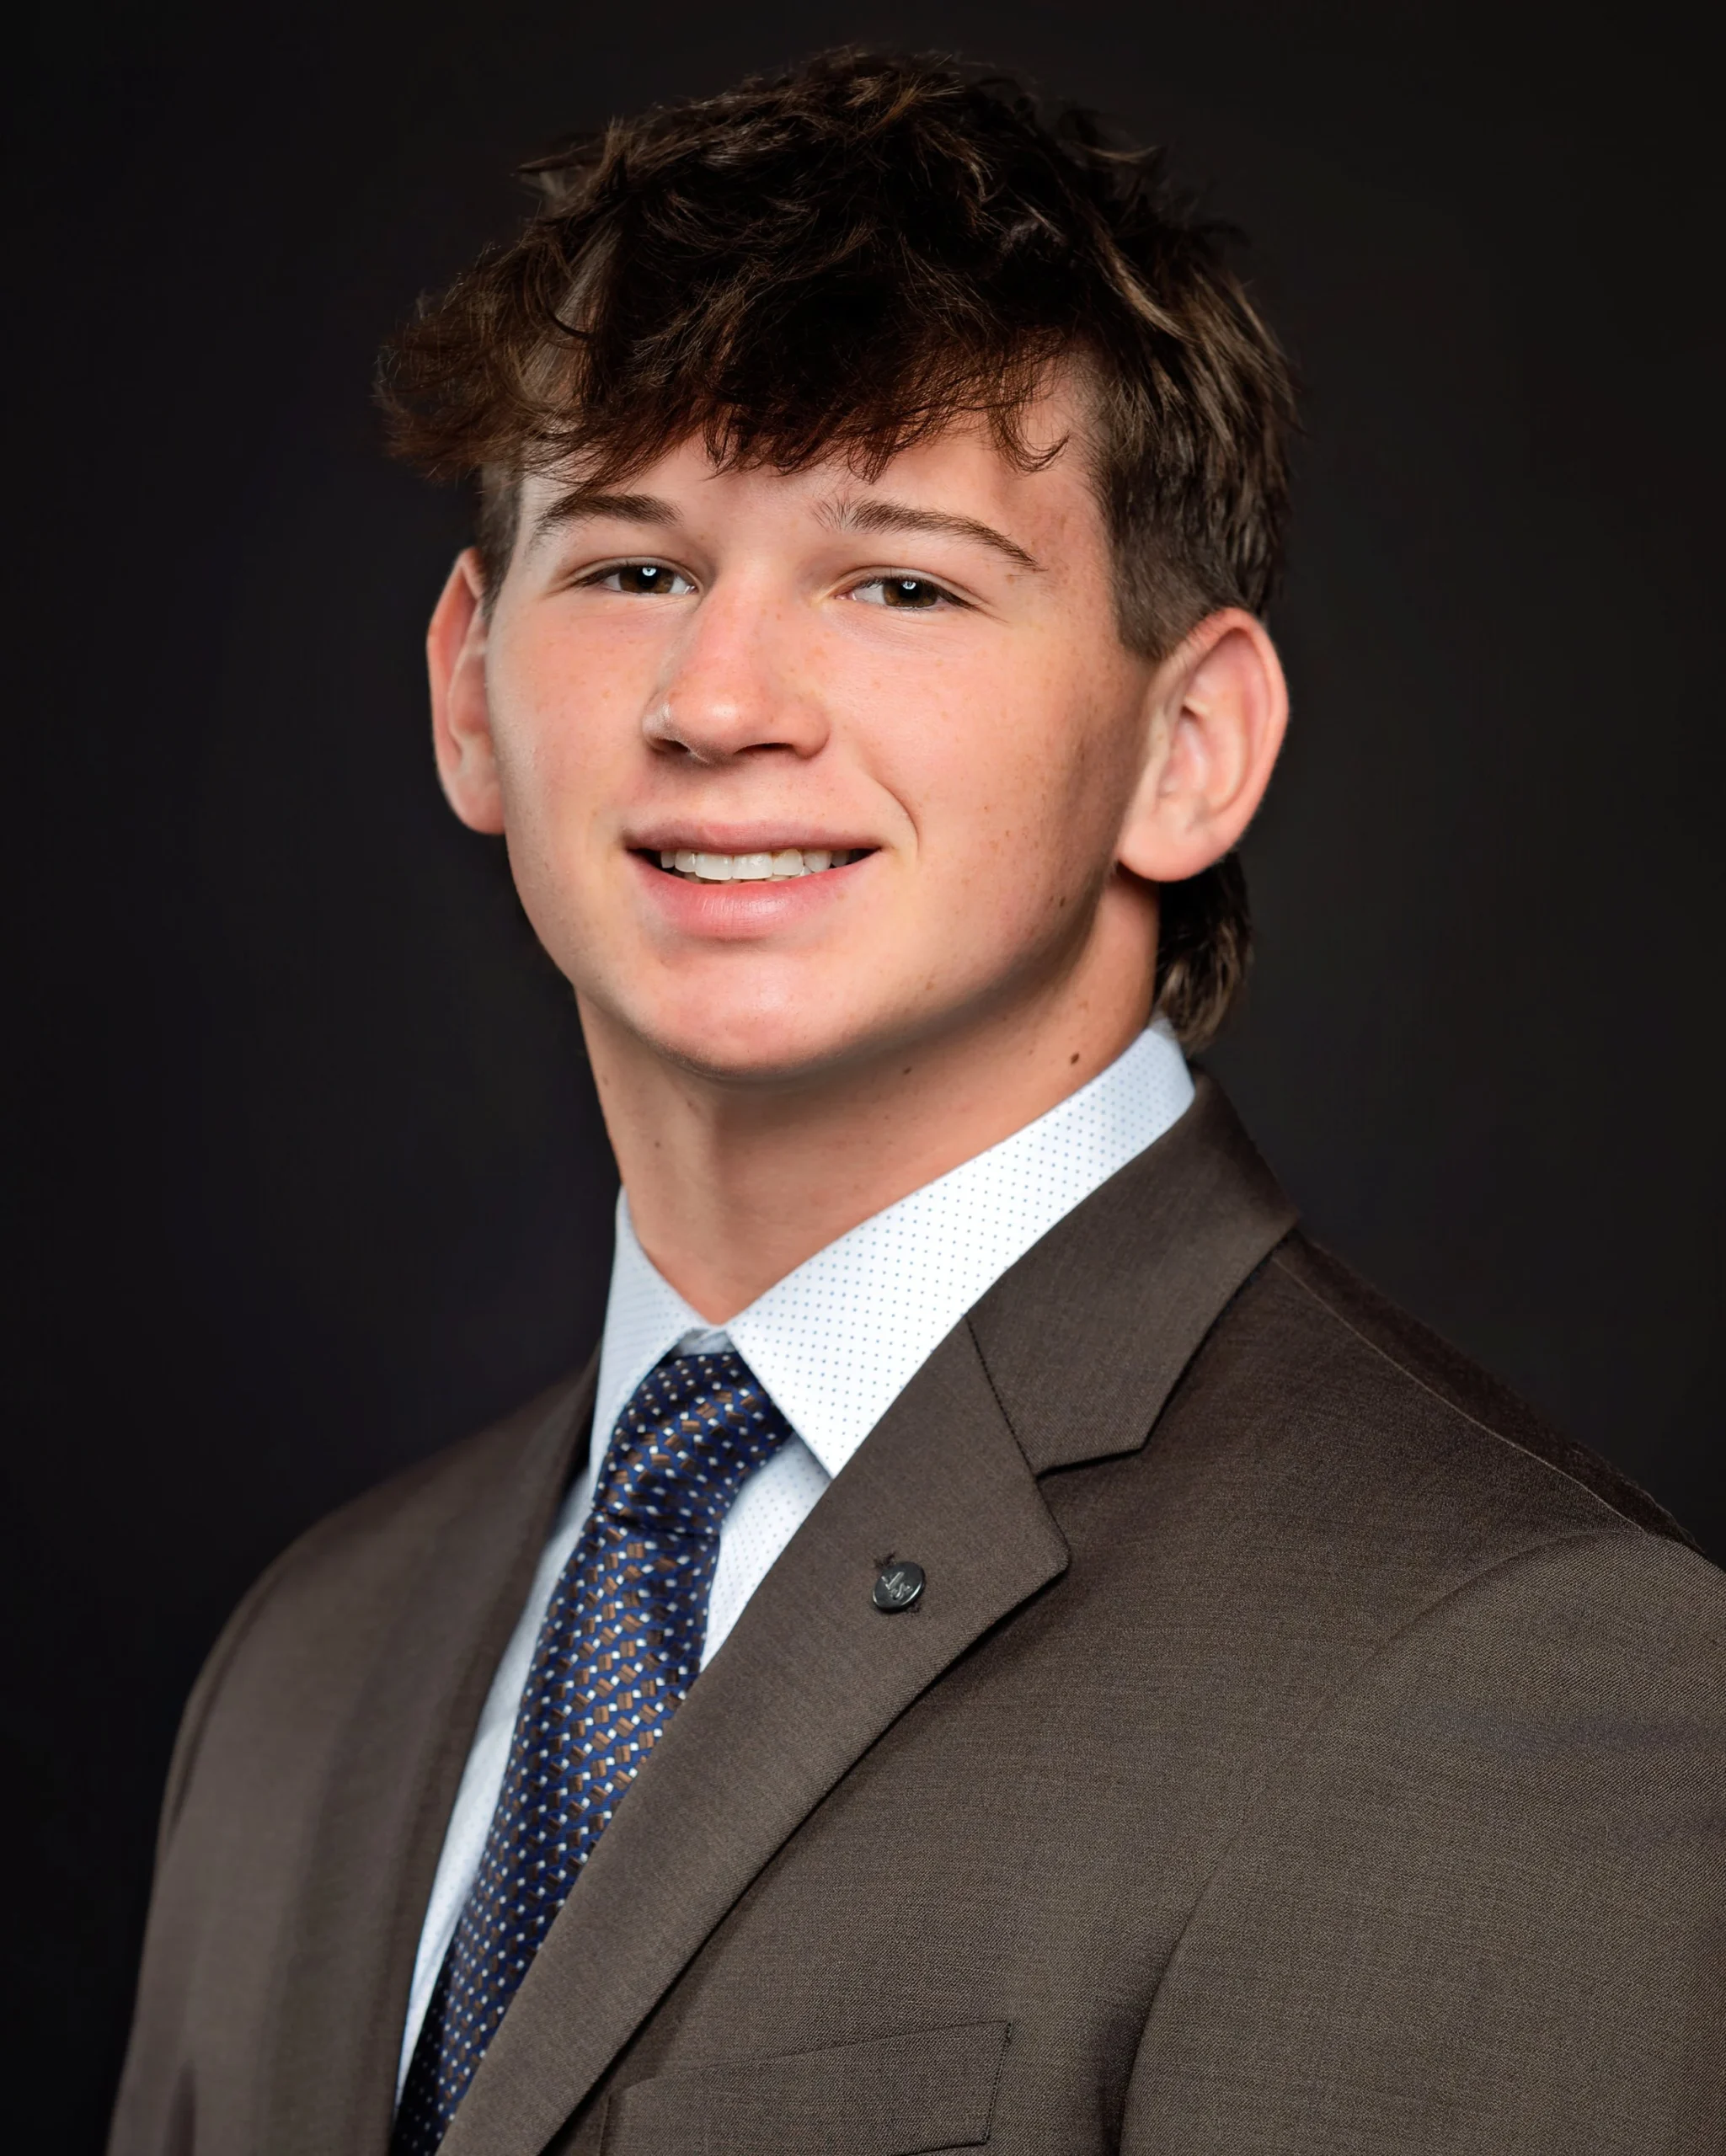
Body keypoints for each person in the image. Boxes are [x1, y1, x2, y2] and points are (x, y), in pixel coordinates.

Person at [109, 49, 1723, 2156]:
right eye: (631, 568)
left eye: (902, 581)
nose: (720, 703)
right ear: (466, 689)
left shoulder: (1511, 1663)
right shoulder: (310, 1663)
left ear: (1192, 747)